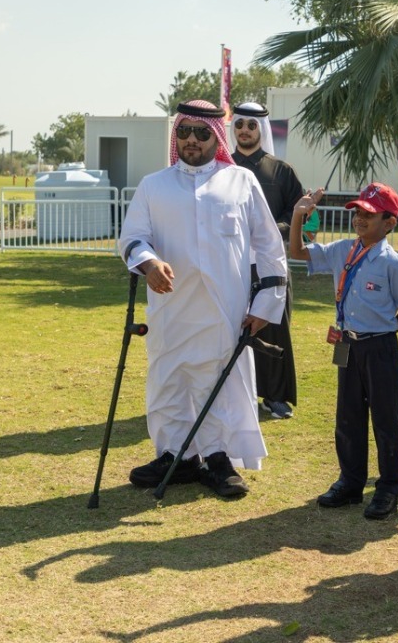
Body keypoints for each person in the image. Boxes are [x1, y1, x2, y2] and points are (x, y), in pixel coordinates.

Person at [120, 99, 287, 499]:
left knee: (217, 382)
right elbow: (132, 238)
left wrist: (265, 307)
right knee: (168, 380)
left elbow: (269, 247)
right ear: (175, 135)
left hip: (223, 310)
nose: (191, 140)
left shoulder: (241, 183)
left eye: (201, 132)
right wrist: (148, 263)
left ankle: (216, 459)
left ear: (216, 136)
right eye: (184, 132)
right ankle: (175, 456)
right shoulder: (153, 185)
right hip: (170, 307)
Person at [290, 182, 398, 520]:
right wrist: (297, 216)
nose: (360, 219)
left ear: (390, 222)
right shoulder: (341, 250)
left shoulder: (391, 262)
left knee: (385, 418)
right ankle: (350, 482)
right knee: (348, 416)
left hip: (379, 346)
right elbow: (297, 252)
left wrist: (381, 334)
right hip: (346, 344)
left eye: (369, 213)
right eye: (357, 212)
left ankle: (389, 487)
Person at [230, 101, 304, 420]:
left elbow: (300, 215)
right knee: (231, 327)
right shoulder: (222, 168)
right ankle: (232, 395)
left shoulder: (282, 171)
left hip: (269, 264)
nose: (245, 131)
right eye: (239, 125)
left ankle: (274, 397)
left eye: (251, 125)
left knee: (272, 327)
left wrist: (274, 231)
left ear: (261, 129)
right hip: (230, 263)